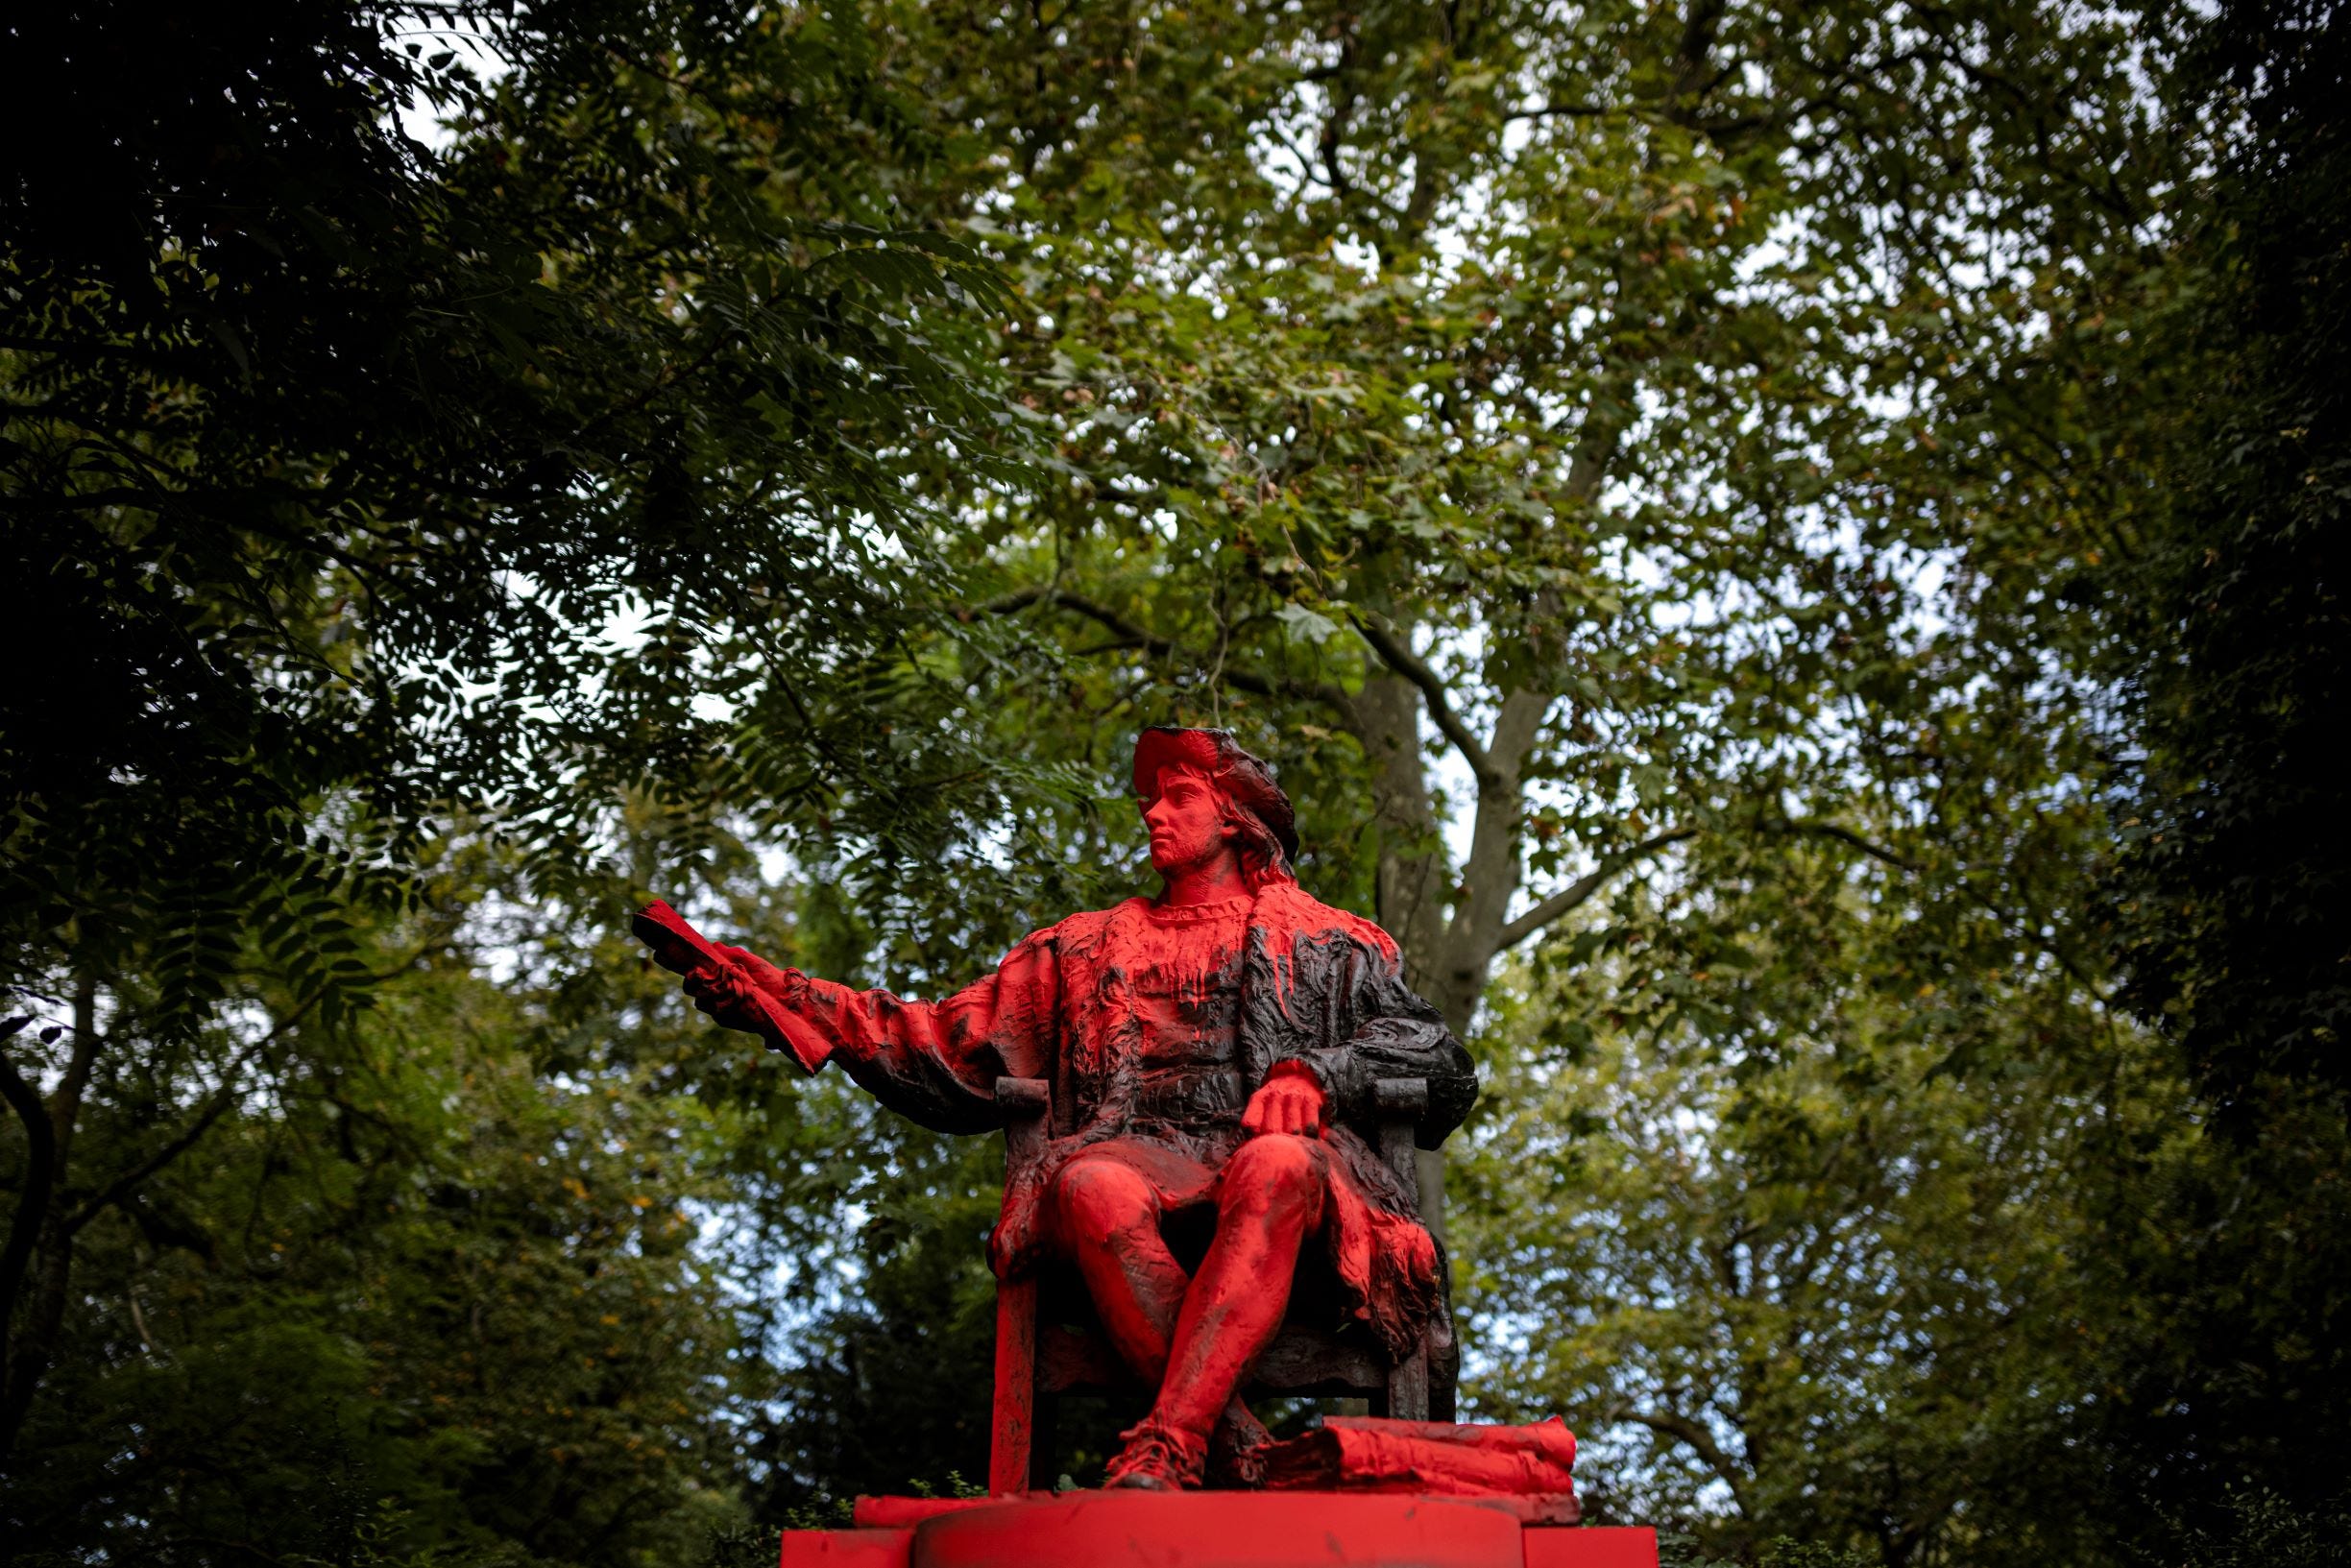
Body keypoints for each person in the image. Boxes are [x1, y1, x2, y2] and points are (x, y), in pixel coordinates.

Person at [649, 727, 1476, 1489]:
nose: (1153, 813)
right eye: (1150, 799)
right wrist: (785, 997)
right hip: (1142, 1150)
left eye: (1178, 795)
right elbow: (941, 1038)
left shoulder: (1332, 939)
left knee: (1275, 1163)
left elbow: (1439, 1057)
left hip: (1291, 1171)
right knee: (1085, 1184)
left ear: (1234, 817)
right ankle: (1223, 1444)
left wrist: (1319, 1074)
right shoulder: (1082, 946)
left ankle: (1175, 1440)